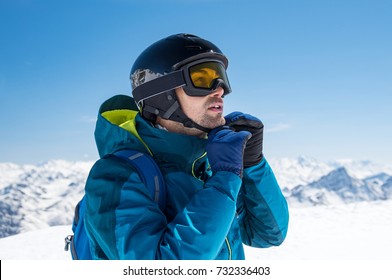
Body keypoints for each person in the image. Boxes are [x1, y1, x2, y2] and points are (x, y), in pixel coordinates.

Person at [84, 33, 289, 260]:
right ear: (162, 95)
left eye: (222, 77)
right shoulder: (115, 177)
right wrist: (224, 180)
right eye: (202, 78)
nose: (220, 89)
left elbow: (268, 234)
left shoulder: (207, 164)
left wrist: (253, 164)